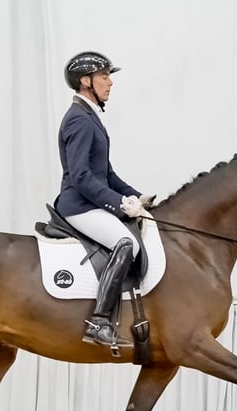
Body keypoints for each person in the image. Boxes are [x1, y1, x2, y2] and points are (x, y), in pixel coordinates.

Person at [54, 51, 151, 347]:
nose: (110, 83)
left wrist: (136, 197)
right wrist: (119, 205)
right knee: (126, 243)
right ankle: (99, 322)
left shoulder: (90, 117)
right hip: (78, 205)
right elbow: (82, 177)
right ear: (86, 81)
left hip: (89, 201)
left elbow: (106, 175)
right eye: (104, 76)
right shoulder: (79, 121)